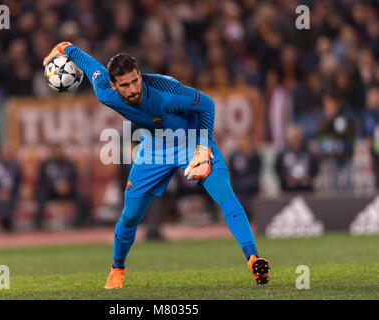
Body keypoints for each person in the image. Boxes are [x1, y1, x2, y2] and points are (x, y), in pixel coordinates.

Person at [43, 42, 270, 288]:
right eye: (124, 85)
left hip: (193, 140)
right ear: (113, 85)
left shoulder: (166, 95)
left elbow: (207, 104)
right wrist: (52, 55)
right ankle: (117, 271)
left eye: (134, 81)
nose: (132, 89)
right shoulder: (102, 88)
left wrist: (203, 149)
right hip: (154, 148)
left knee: (225, 195)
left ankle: (254, 259)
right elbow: (75, 52)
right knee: (130, 216)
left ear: (139, 75)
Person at [34, 143, 91, 230]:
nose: (57, 153)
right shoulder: (46, 164)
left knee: (81, 196)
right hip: (51, 192)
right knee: (40, 194)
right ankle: (39, 224)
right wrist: (54, 186)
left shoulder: (68, 163)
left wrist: (67, 186)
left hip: (67, 191)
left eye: (59, 150)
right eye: (55, 150)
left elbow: (74, 179)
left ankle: (79, 222)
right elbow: (41, 181)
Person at [275, 126, 319, 192]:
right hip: (288, 191)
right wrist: (286, 179)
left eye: (298, 138)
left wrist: (309, 178)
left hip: (306, 190)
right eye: (294, 138)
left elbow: (315, 169)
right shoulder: (282, 154)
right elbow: (278, 170)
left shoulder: (308, 154)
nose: (296, 141)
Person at [228, 135, 261, 220]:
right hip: (239, 186)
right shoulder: (234, 156)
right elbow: (233, 175)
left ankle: (251, 214)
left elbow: (257, 172)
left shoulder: (255, 155)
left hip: (252, 185)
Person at [361, 87, 379, 188]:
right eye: (372, 96)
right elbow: (364, 129)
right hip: (375, 149)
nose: (374, 98)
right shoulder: (367, 114)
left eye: (376, 95)